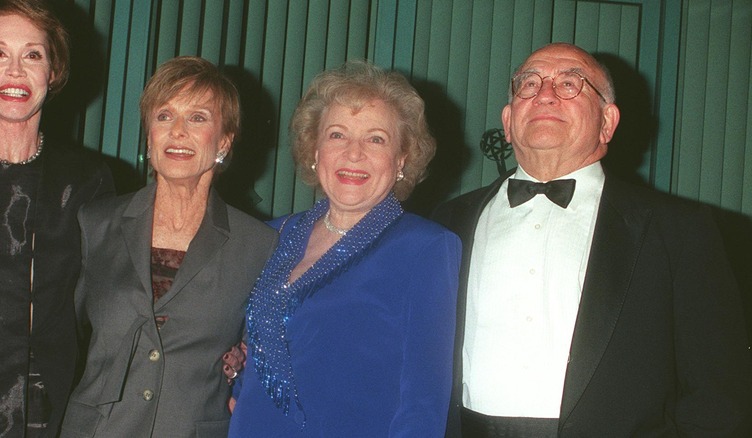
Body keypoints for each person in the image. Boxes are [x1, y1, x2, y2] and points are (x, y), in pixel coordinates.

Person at [432, 42, 752, 437]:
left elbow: (718, 397)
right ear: (508, 120)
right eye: (528, 85)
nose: (545, 94)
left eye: (570, 83)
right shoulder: (445, 224)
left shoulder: (680, 231)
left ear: (607, 122)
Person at [228, 60, 461, 437]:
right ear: (314, 151)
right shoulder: (269, 236)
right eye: (337, 135)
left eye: (376, 139)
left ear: (401, 159)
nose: (354, 153)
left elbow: (424, 400)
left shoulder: (427, 248)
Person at [59, 56, 277, 438]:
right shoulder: (95, 223)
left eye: (198, 118)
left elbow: (270, 354)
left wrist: (242, 369)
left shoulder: (258, 245)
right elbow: (57, 338)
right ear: (149, 136)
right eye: (164, 116)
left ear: (224, 140)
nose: (178, 131)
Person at [0, 1, 114, 436]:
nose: (15, 71)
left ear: (53, 71)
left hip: (54, 406)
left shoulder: (88, 180)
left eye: (32, 54)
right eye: (0, 53)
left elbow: (114, 297)